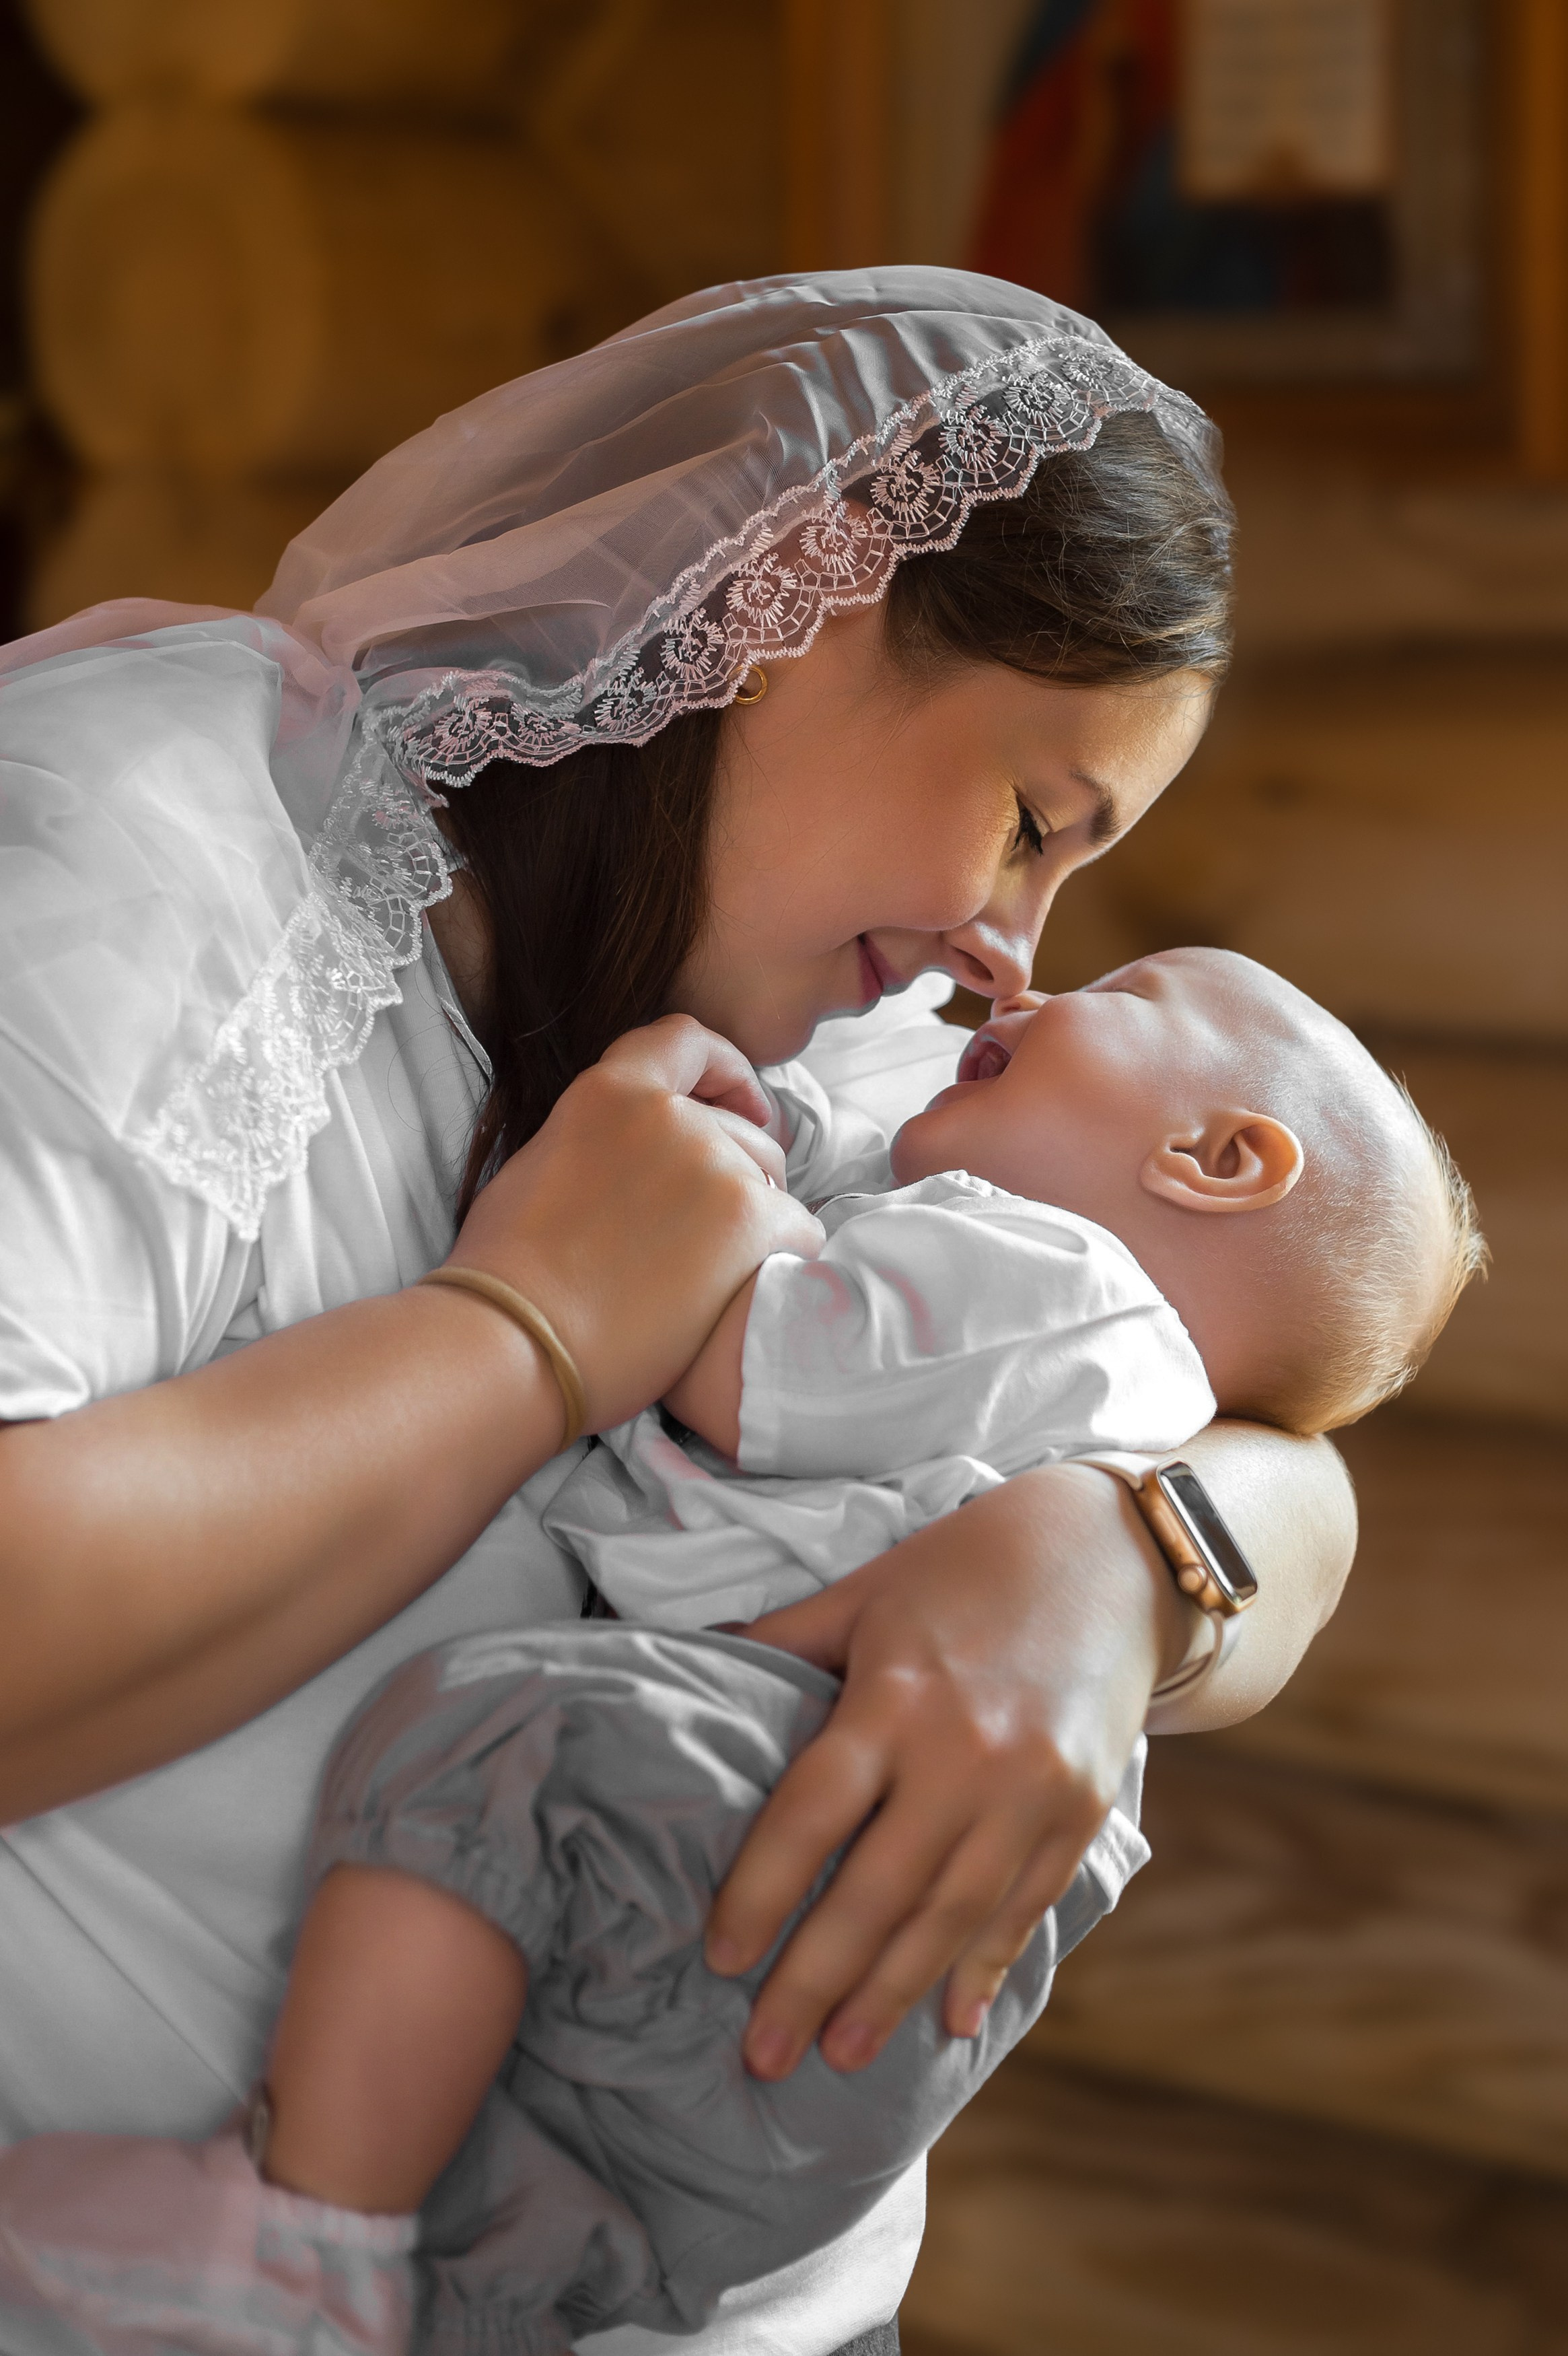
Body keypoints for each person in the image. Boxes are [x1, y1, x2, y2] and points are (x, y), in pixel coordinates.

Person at [0, 273, 1359, 2356]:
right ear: (803, 590)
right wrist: (526, 1326)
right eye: (1030, 825)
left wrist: (1112, 1562)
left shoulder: (844, 1044)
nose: (1010, 961)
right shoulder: (129, 849)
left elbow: (1269, 1430)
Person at [0, 946, 1482, 2356]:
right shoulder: (1002, 1240)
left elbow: (744, 1359)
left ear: (1217, 1159)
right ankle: (368, 2257)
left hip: (793, 1749)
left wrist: (654, 1213)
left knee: (481, 1758)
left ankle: (301, 2228)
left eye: (1118, 989)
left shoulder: (1053, 1281)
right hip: (805, 1793)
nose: (1022, 968)